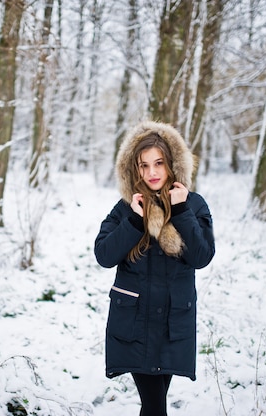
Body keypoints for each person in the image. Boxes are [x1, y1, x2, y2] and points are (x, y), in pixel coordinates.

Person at [94, 121, 215, 416]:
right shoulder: (126, 207)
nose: (152, 173)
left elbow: (201, 256)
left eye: (158, 163)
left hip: (173, 325)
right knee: (154, 406)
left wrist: (182, 211)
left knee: (153, 405)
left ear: (171, 164)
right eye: (144, 165)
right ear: (134, 169)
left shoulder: (194, 205)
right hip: (135, 324)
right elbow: (104, 255)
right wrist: (135, 221)